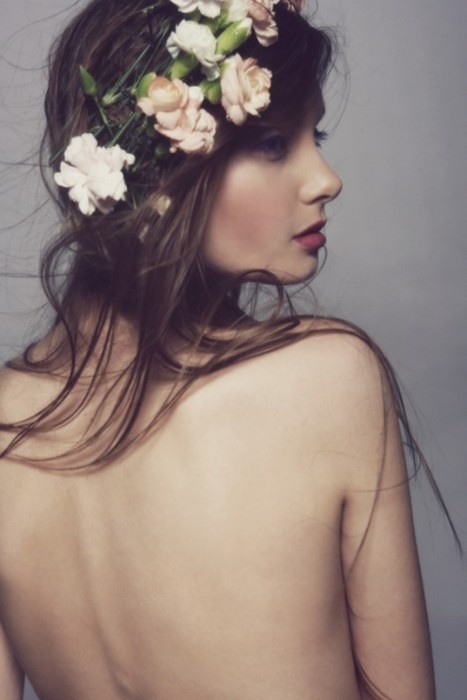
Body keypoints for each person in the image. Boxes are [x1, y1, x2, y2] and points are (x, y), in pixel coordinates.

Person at [0, 0, 444, 698]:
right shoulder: (327, 379)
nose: (325, 179)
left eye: (315, 136)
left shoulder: (7, 424)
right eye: (272, 144)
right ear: (154, 169)